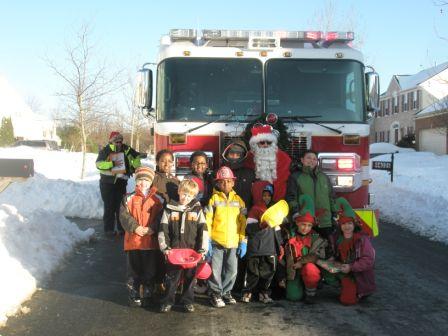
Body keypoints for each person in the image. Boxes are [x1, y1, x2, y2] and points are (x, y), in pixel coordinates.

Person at [158, 179, 209, 313]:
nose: (186, 197)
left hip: (191, 253)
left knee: (190, 278)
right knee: (172, 278)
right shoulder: (169, 209)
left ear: (194, 196)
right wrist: (165, 247)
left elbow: (203, 230)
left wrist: (202, 249)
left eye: (190, 195)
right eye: (184, 194)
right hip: (174, 252)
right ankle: (167, 301)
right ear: (179, 191)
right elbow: (163, 229)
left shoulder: (197, 210)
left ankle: (187, 301)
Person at [119, 166, 164, 307]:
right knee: (134, 269)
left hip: (151, 242)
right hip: (133, 242)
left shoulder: (158, 199)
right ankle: (134, 292)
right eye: (140, 179)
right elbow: (123, 216)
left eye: (146, 180)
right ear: (136, 181)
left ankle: (149, 290)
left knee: (150, 269)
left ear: (151, 182)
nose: (143, 183)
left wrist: (153, 228)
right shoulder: (128, 198)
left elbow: (161, 217)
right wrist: (135, 227)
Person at [205, 166, 247, 308]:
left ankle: (226, 292)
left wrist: (243, 241)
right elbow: (208, 221)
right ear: (217, 183)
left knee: (232, 270)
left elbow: (243, 223)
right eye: (222, 182)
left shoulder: (239, 201)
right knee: (215, 270)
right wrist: (208, 241)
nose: (226, 184)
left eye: (229, 181)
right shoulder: (213, 199)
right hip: (216, 242)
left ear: (233, 183)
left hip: (233, 242)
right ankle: (215, 293)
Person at [221, 140, 256, 296]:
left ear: (243, 156)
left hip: (242, 221)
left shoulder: (250, 174)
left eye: (238, 154)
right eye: (231, 153)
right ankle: (221, 287)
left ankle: (237, 287)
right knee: (222, 255)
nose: (234, 156)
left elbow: (254, 196)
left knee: (240, 256)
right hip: (222, 221)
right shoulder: (220, 172)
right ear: (226, 154)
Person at [327, 197, 376, 305]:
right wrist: (332, 259)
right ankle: (343, 285)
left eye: (349, 223)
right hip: (343, 270)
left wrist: (351, 267)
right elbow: (334, 253)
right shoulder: (336, 238)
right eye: (343, 224)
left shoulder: (362, 239)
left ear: (354, 224)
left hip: (357, 274)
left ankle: (361, 291)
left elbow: (368, 260)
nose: (347, 226)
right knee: (325, 271)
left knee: (347, 301)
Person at [241, 184, 283, 304]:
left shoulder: (276, 210)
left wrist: (279, 244)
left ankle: (263, 293)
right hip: (255, 247)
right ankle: (247, 292)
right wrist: (260, 225)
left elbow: (277, 230)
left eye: (269, 195)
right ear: (260, 196)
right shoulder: (255, 209)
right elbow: (248, 228)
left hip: (270, 248)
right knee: (252, 272)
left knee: (268, 272)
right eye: (264, 195)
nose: (266, 198)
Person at [96, 131, 142, 235]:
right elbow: (98, 164)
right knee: (109, 206)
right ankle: (109, 230)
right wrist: (112, 164)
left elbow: (136, 157)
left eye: (120, 141)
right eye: (116, 141)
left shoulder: (126, 149)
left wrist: (136, 166)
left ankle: (122, 229)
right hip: (107, 183)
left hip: (121, 182)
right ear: (111, 141)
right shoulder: (105, 150)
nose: (119, 143)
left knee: (120, 206)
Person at [284, 195, 328, 304]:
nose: (306, 228)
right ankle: (299, 286)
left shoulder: (316, 237)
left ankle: (310, 292)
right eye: (303, 224)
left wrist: (301, 262)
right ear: (297, 223)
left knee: (310, 269)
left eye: (309, 225)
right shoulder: (289, 235)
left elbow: (317, 255)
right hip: (293, 271)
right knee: (293, 297)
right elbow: (281, 256)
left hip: (309, 269)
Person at [286, 149, 336, 239]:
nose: (311, 161)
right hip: (305, 222)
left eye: (314, 159)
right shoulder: (295, 177)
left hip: (325, 222)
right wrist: (296, 213)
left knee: (325, 249)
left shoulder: (324, 177)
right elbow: (291, 197)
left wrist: (334, 214)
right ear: (302, 160)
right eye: (308, 158)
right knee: (305, 250)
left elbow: (331, 197)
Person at [245, 124, 291, 204]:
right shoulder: (249, 157)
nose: (266, 145)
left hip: (277, 200)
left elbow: (283, 181)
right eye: (262, 142)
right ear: (256, 144)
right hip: (253, 201)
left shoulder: (283, 158)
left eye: (269, 142)